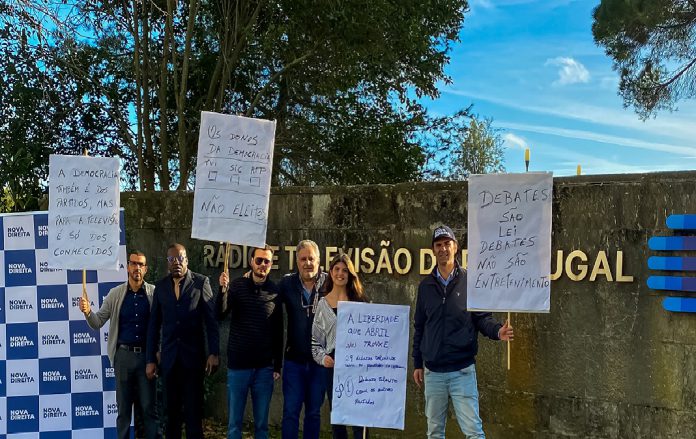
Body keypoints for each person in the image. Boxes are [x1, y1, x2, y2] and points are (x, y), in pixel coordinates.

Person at [412, 225, 514, 439]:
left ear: (455, 247)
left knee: (473, 432)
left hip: (462, 372)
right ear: (433, 250)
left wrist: (497, 332)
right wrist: (417, 364)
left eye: (447, 244)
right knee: (434, 432)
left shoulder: (471, 281)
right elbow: (420, 327)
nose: (443, 249)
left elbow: (482, 318)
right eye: (438, 245)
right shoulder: (425, 287)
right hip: (433, 373)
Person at [80, 250, 158, 439]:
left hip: (147, 359)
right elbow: (97, 322)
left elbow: (162, 326)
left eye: (141, 264)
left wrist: (157, 354)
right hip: (123, 358)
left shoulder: (154, 293)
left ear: (145, 269)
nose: (137, 268)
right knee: (123, 411)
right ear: (128, 267)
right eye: (133, 264)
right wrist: (88, 312)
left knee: (148, 409)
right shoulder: (115, 294)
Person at [145, 243, 219, 439]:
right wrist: (151, 359)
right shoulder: (160, 287)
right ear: (167, 262)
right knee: (171, 417)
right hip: (169, 363)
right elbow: (154, 326)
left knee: (194, 417)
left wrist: (214, 353)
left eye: (180, 258)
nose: (176, 262)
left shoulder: (201, 283)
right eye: (172, 259)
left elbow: (211, 322)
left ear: (186, 260)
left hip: (193, 361)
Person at [218, 245, 283, 439]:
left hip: (264, 369)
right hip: (238, 367)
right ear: (251, 262)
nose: (263, 265)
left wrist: (277, 365)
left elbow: (278, 331)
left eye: (267, 261)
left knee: (262, 425)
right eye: (259, 260)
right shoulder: (237, 286)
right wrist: (222, 290)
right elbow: (220, 314)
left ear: (271, 265)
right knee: (234, 425)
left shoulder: (275, 292)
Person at [311, 253, 369, 439]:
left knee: (360, 418)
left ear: (350, 274)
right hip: (333, 367)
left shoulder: (361, 303)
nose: (340, 273)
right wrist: (323, 358)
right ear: (330, 272)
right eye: (337, 269)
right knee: (339, 419)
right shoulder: (322, 304)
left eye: (345, 270)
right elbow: (315, 343)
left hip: (358, 366)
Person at [279, 240, 327, 439]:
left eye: (311, 259)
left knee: (313, 414)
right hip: (294, 362)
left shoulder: (329, 283)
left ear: (318, 261)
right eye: (303, 259)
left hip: (319, 363)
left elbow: (352, 299)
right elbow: (265, 299)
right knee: (290, 413)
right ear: (297, 262)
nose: (308, 263)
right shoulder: (287, 283)